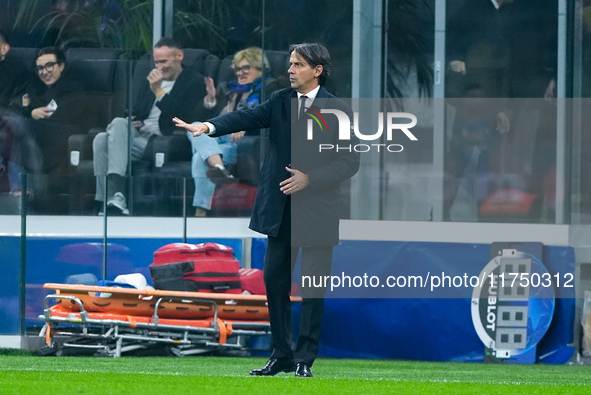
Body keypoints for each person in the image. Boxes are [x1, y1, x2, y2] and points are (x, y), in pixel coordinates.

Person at [174, 42, 360, 377]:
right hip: (281, 211)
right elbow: (245, 116)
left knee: (314, 290)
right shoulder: (279, 101)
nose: (290, 69)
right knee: (275, 284)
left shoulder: (339, 109)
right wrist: (208, 127)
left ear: (317, 70)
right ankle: (282, 356)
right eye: (290, 63)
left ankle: (304, 360)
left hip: (318, 212)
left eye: (298, 64)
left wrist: (310, 179)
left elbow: (350, 161)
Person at [92, 37, 208, 215]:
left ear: (179, 56)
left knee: (105, 138)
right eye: (156, 62)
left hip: (161, 140)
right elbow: (138, 109)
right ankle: (110, 200)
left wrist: (159, 91)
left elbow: (183, 117)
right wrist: (132, 120)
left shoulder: (194, 82)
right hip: (139, 134)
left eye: (164, 61)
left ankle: (115, 195)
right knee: (108, 132)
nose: (160, 67)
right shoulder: (151, 79)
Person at [187, 47, 279, 217]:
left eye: (246, 68)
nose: (240, 73)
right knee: (195, 125)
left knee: (199, 157)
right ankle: (219, 168)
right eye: (237, 69)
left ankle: (201, 210)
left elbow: (271, 118)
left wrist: (246, 125)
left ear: (261, 69)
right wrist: (210, 101)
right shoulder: (227, 90)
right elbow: (198, 118)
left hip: (236, 143)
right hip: (214, 140)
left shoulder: (270, 89)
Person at [15, 46, 87, 175]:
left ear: (61, 66)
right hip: (34, 137)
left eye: (49, 66)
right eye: (40, 68)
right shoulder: (33, 88)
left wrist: (32, 121)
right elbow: (18, 108)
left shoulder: (73, 89)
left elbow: (65, 118)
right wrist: (32, 113)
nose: (44, 72)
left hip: (63, 137)